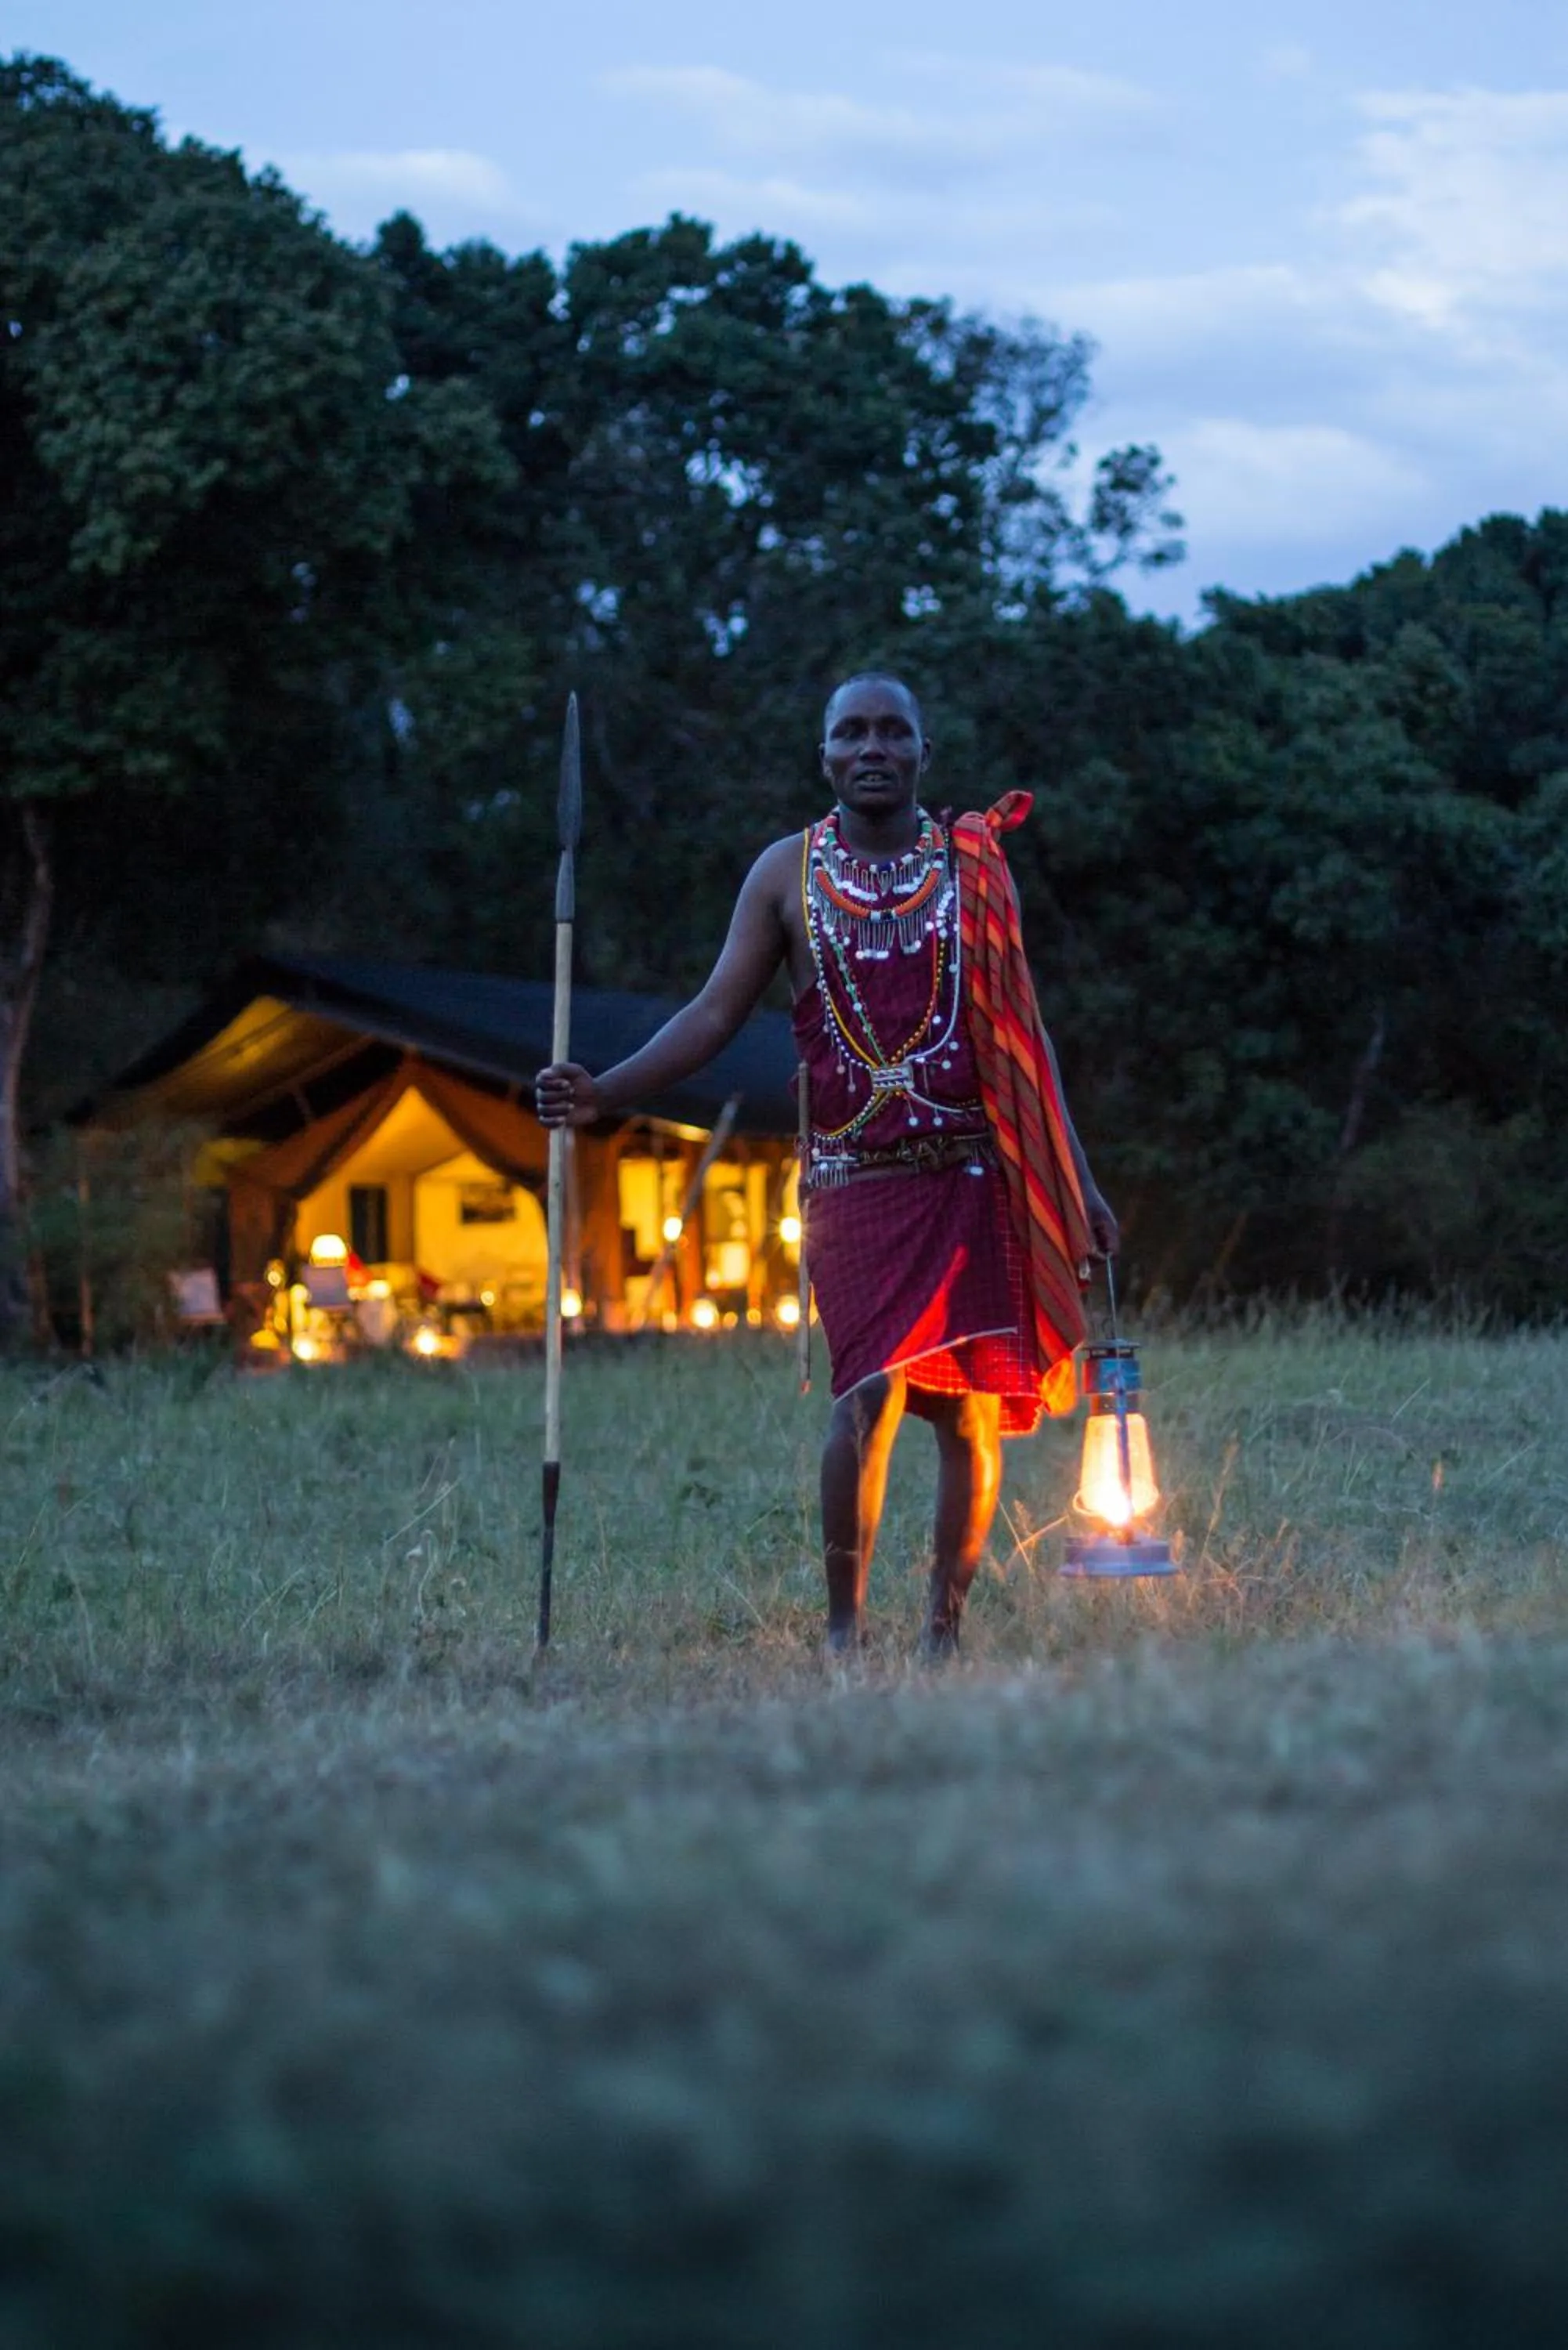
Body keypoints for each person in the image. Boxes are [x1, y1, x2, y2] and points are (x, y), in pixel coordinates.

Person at [535, 674, 1118, 1656]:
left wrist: (1081, 1180)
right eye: (852, 733)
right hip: (853, 1181)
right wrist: (607, 1090)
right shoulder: (783, 874)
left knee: (967, 1411)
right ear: (826, 757)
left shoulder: (974, 867)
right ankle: (845, 1638)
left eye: (894, 731)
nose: (873, 748)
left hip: (968, 1171)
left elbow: (1025, 1035)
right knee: (869, 1390)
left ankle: (941, 1631)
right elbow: (714, 1013)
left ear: (923, 753)